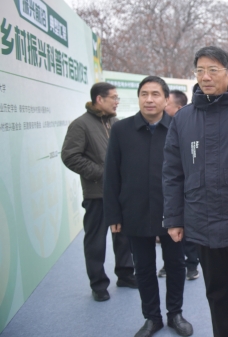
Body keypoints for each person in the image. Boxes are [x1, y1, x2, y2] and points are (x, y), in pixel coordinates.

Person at [162, 46, 228, 337]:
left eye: (213, 70)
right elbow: (173, 173)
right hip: (203, 221)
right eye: (200, 70)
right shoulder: (184, 118)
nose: (205, 76)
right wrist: (174, 218)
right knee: (216, 292)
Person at [104, 77, 193, 337]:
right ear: (138, 98)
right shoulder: (121, 130)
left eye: (155, 94)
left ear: (166, 99)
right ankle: (152, 317)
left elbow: (189, 171)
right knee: (143, 268)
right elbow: (111, 174)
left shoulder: (179, 128)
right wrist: (113, 213)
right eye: (144, 94)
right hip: (135, 209)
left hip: (173, 212)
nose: (149, 99)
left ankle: (175, 314)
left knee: (176, 265)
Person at [61, 82, 136, 302]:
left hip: (121, 193)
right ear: (99, 99)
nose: (117, 102)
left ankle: (125, 275)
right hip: (97, 194)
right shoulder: (80, 125)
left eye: (117, 98)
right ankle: (98, 284)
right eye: (113, 98)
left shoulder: (116, 123)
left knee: (123, 237)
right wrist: (102, 174)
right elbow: (70, 156)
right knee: (96, 241)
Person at [158, 89, 200, 281]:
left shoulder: (193, 126)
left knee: (190, 233)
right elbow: (171, 168)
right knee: (173, 231)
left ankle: (192, 265)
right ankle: (171, 264)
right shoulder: (168, 127)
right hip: (171, 190)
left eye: (168, 104)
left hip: (192, 192)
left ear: (179, 107)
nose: (164, 107)